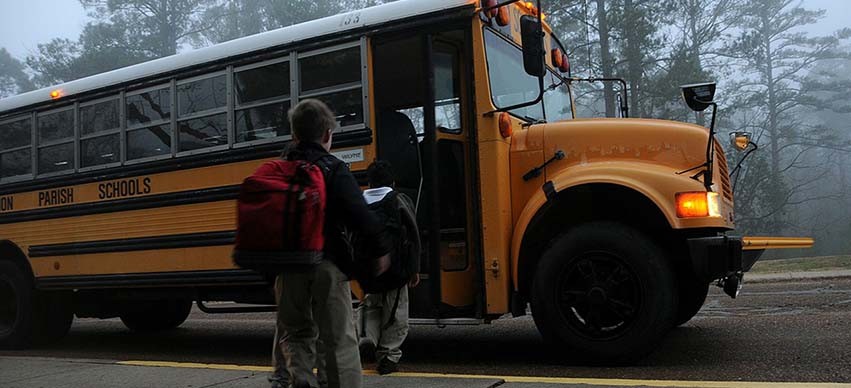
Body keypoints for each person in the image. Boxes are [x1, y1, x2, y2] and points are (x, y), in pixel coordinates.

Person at [272, 99, 391, 388]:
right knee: (338, 339)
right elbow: (360, 215)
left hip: (287, 269)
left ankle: (300, 380)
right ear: (327, 135)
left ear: (294, 136)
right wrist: (379, 252)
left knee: (296, 333)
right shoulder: (333, 168)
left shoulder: (278, 170)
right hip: (326, 263)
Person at [357, 160, 421, 375]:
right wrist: (413, 269)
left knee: (371, 306)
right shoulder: (399, 201)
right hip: (396, 269)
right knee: (395, 312)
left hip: (368, 270)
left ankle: (367, 338)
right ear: (392, 182)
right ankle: (388, 356)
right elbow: (413, 236)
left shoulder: (359, 202)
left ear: (370, 181)